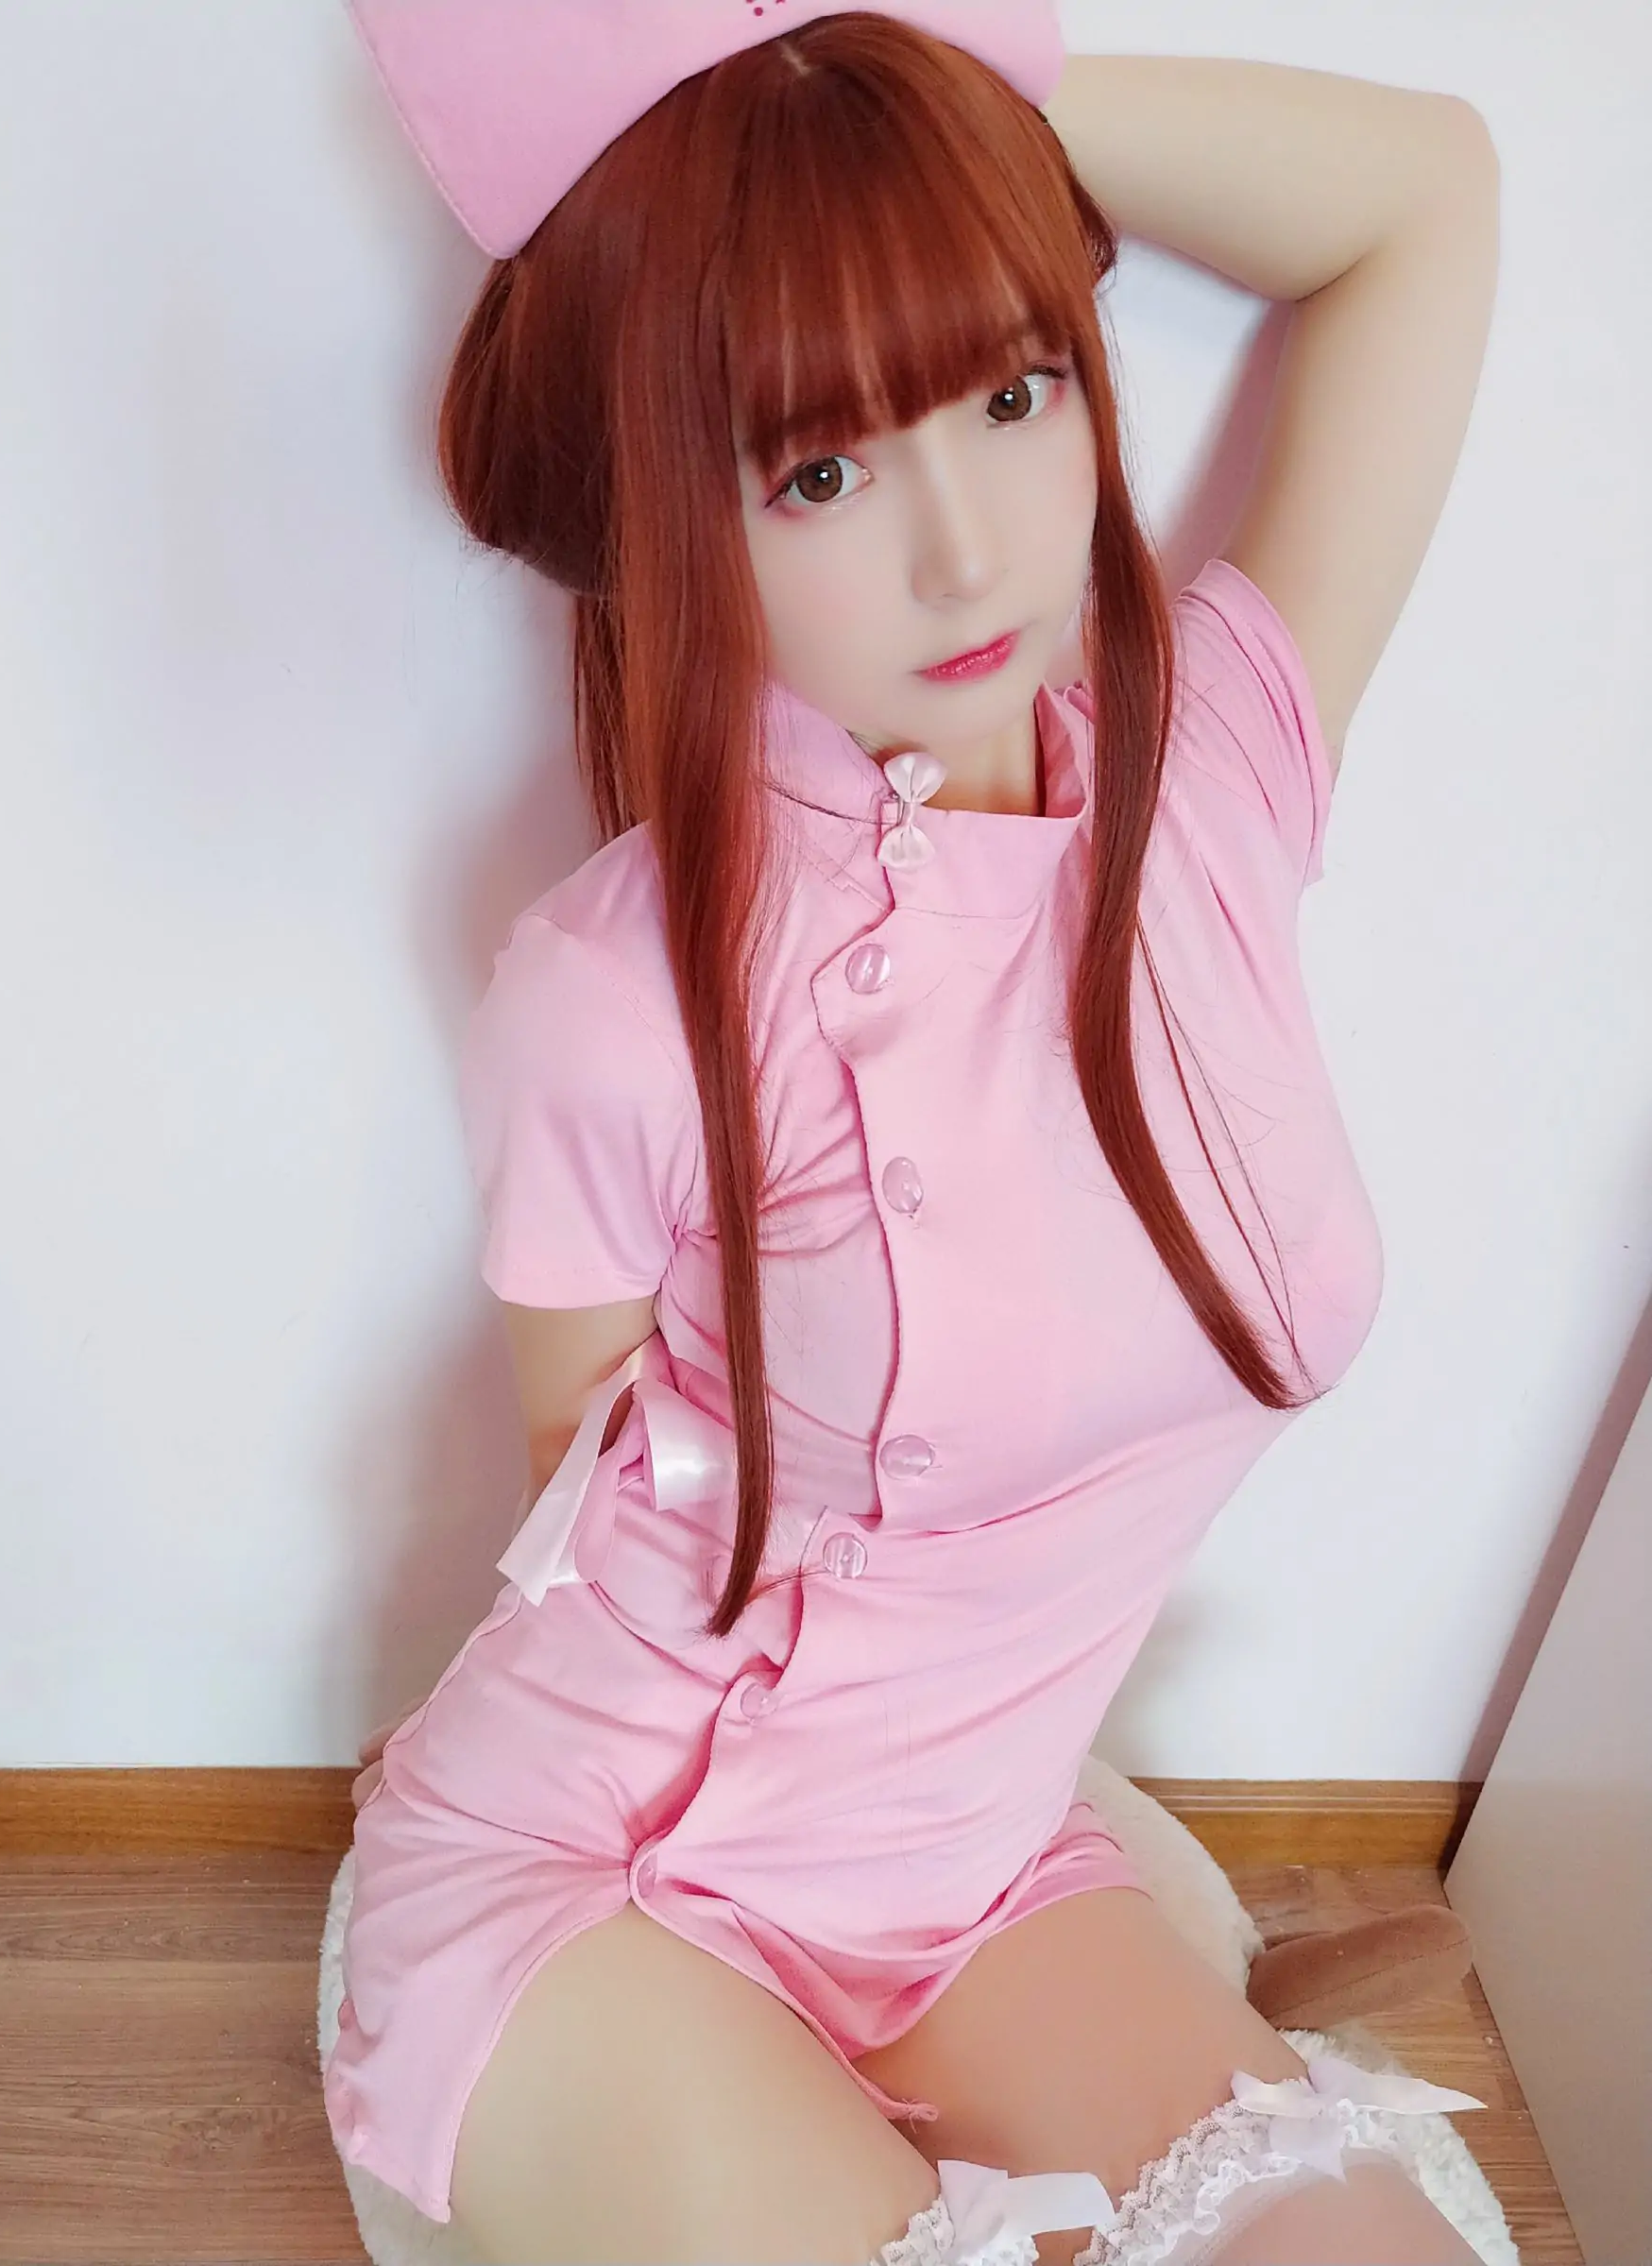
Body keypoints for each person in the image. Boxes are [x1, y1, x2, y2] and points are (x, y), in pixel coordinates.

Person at [323, 9, 1502, 2262]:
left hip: (967, 1869)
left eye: (1015, 389)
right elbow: (595, 1494)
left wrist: (898, 88)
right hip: (607, 1883)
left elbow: (1426, 198)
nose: (969, 552)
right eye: (820, 474)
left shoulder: (1215, 770)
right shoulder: (620, 992)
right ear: (683, 510)